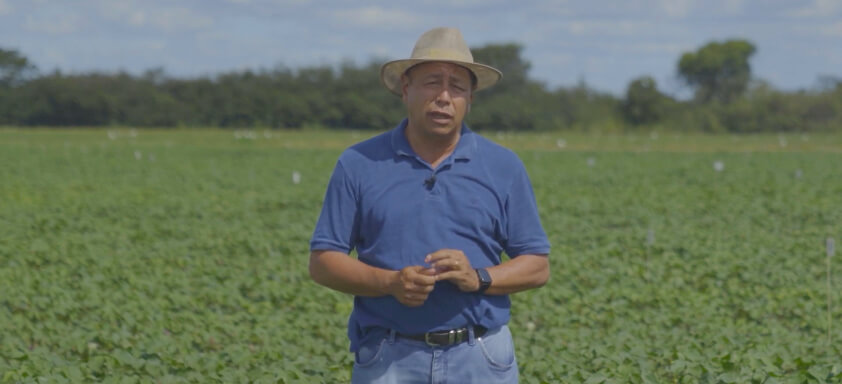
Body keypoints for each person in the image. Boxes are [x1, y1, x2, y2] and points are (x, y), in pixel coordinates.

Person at [309, 27, 550, 383]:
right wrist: (390, 282)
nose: (444, 97)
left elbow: (536, 266)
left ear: (470, 98)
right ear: (405, 89)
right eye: (431, 82)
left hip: (480, 357)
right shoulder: (358, 163)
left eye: (457, 87)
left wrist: (478, 278)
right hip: (388, 359)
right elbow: (323, 263)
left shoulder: (504, 167)